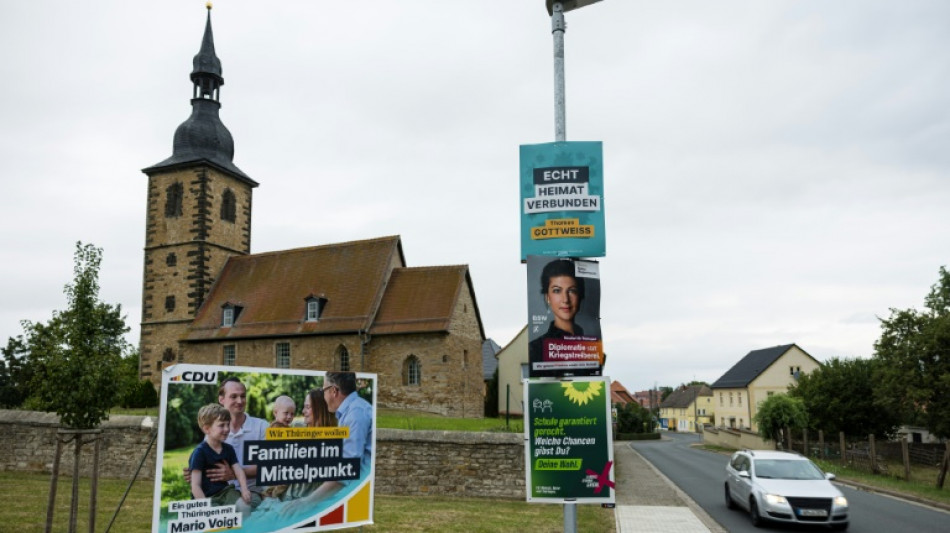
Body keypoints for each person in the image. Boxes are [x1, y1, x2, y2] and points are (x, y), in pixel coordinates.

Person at [278, 372, 372, 518]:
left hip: (353, 493)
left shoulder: (355, 414)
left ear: (333, 391)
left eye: (324, 390)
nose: (323, 395)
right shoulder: (348, 413)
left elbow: (346, 471)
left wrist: (306, 503)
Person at [198, 377, 268, 508]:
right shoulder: (214, 431)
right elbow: (207, 465)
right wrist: (195, 471)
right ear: (221, 399)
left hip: (251, 492)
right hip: (220, 493)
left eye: (243, 396)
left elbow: (270, 466)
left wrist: (233, 473)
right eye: (234, 396)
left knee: (238, 511)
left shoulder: (261, 427)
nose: (240, 401)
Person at [188, 404, 252, 514]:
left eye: (228, 424)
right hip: (206, 496)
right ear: (207, 429)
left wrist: (244, 489)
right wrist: (204, 506)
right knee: (218, 516)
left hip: (226, 492)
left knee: (245, 508)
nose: (227, 429)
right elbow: (195, 485)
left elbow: (238, 470)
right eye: (221, 425)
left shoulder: (228, 449)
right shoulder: (199, 452)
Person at [528, 258, 585, 365]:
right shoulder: (535, 349)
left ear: (580, 295)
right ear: (547, 297)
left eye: (572, 290)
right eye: (557, 291)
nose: (565, 299)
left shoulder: (591, 345)